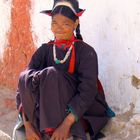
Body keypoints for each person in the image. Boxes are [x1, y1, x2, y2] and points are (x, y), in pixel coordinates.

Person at [16, 0, 115, 140]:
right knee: (25, 76)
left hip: (76, 111)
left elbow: (88, 91)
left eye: (66, 23)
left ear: (76, 24)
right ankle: (44, 126)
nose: (58, 28)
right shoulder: (44, 50)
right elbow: (23, 85)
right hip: (47, 109)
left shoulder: (86, 52)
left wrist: (66, 125)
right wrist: (28, 126)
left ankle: (57, 128)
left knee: (51, 75)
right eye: (54, 23)